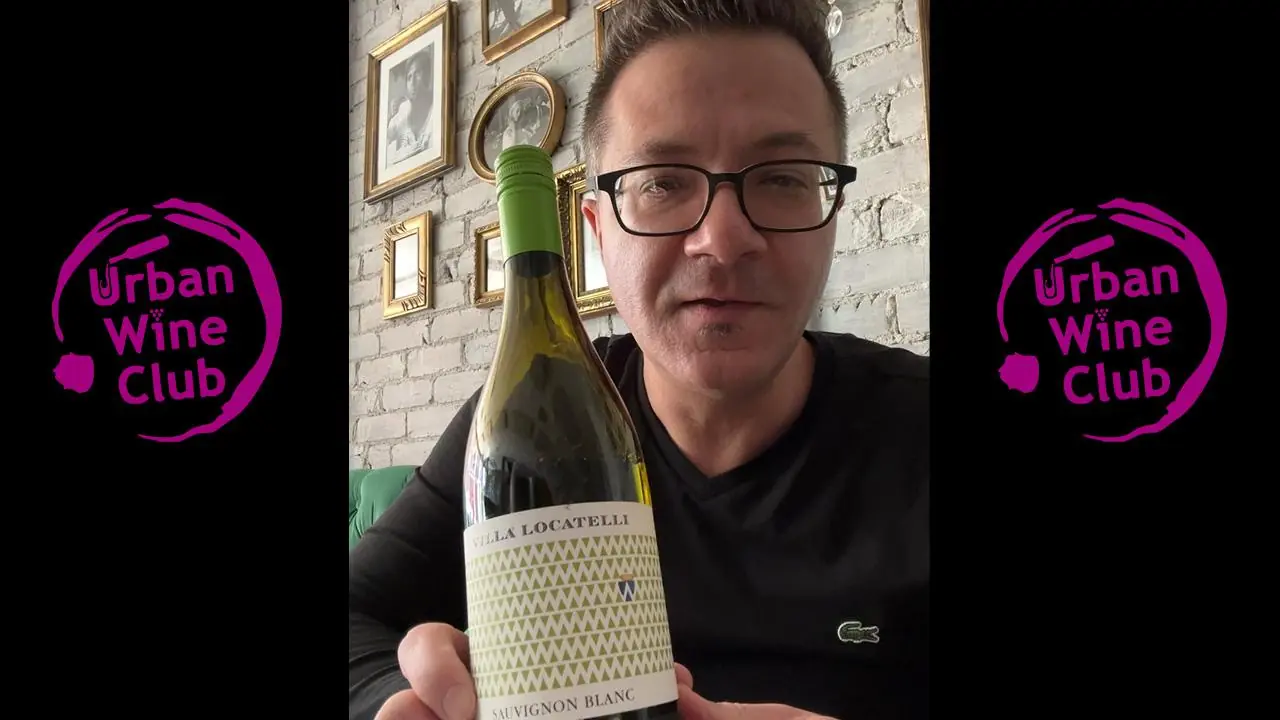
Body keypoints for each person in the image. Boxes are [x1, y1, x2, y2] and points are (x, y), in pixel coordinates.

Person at [349, 1, 929, 718]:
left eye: (782, 177)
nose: (723, 240)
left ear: (831, 211)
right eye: (662, 182)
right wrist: (402, 697)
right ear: (597, 231)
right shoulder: (526, 415)